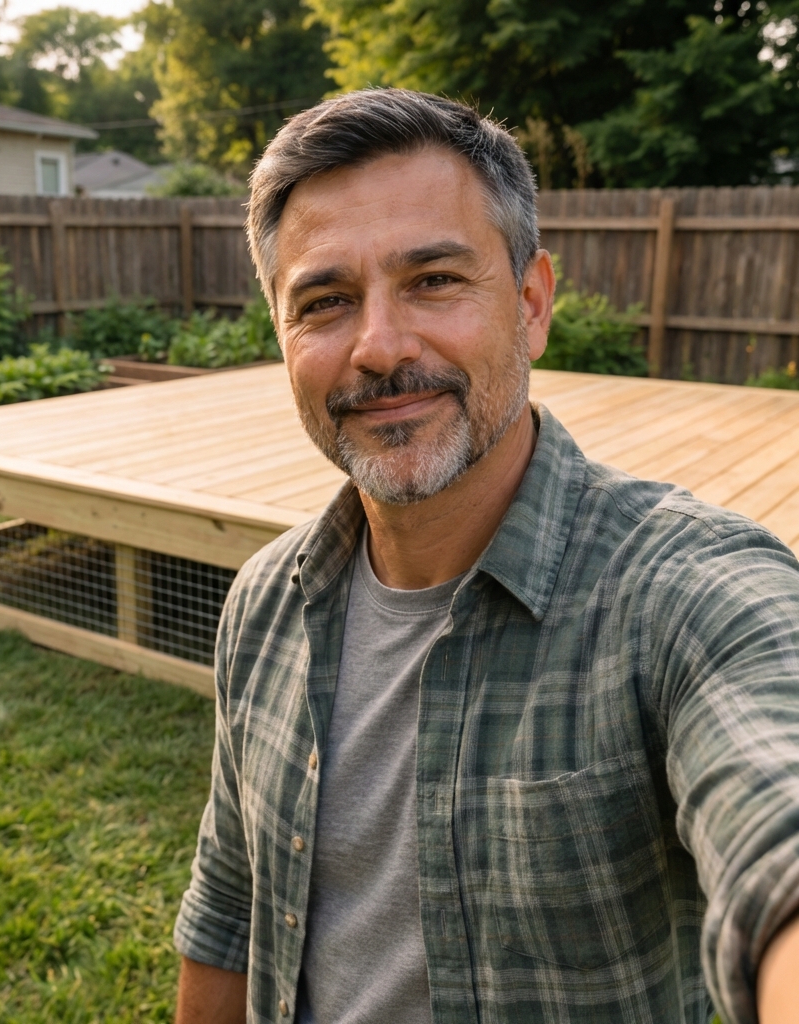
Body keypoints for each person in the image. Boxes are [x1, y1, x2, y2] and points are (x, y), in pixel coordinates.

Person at [171, 88, 799, 1024]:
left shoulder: (684, 596)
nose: (379, 348)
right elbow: (231, 908)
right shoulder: (265, 601)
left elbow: (775, 822)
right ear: (279, 332)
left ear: (533, 302)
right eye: (326, 301)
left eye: (434, 281)